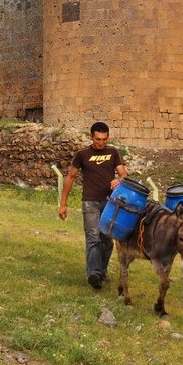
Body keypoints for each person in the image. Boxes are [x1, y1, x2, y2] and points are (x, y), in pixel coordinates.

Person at [59, 122, 128, 289]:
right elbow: (70, 177)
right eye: (98, 139)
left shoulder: (113, 152)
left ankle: (101, 272)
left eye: (104, 139)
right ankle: (94, 273)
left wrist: (119, 180)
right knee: (92, 237)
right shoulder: (82, 154)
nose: (101, 142)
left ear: (108, 138)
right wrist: (63, 204)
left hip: (110, 202)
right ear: (92, 137)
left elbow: (124, 174)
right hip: (89, 201)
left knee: (106, 240)